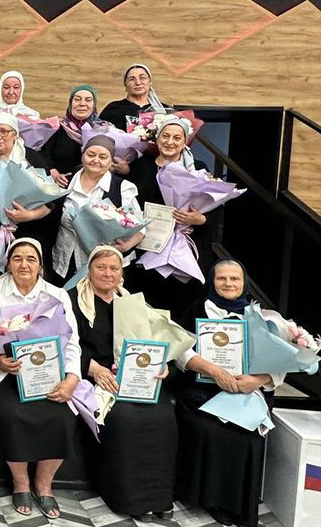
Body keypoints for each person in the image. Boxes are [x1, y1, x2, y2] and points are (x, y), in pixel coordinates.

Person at [0, 238, 81, 519]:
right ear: (8, 264)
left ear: (41, 267)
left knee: (62, 416)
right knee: (10, 414)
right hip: (2, 374)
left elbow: (72, 342)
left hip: (47, 374)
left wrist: (71, 379)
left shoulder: (58, 295)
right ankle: (20, 482)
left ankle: (44, 484)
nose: (24, 264)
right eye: (17, 258)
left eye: (31, 259)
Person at [70, 246, 176, 521]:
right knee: (125, 419)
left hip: (135, 377)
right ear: (89, 270)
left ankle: (159, 498)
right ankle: (129, 499)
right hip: (94, 377)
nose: (108, 273)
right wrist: (93, 368)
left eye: (114, 268)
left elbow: (154, 342)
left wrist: (161, 363)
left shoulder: (133, 303)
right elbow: (65, 344)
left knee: (162, 416)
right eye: (101, 267)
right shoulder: (73, 302)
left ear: (121, 274)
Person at [174, 259, 281, 527]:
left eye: (235, 278)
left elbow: (281, 362)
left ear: (244, 283)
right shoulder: (196, 309)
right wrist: (213, 371)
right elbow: (180, 350)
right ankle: (214, 500)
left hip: (247, 391)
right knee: (211, 430)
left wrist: (257, 380)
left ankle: (239, 503)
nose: (228, 284)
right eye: (221, 278)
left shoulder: (262, 317)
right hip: (202, 391)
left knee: (248, 437)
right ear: (212, 281)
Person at [126, 116, 210, 322]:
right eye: (165, 136)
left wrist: (199, 219)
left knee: (182, 303)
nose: (170, 142)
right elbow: (128, 202)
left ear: (185, 142)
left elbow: (211, 208)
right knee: (147, 304)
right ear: (157, 138)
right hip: (147, 245)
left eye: (176, 138)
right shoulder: (141, 166)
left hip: (184, 247)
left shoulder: (197, 169)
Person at [0, 112, 54, 282]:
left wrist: (29, 215)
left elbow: (52, 200)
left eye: (4, 131)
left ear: (15, 134)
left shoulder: (31, 158)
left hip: (27, 232)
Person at [52, 135, 144, 280]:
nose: (96, 160)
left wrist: (125, 246)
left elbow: (140, 228)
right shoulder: (65, 182)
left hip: (104, 265)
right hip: (64, 259)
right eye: (91, 154)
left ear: (110, 161)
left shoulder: (122, 188)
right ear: (82, 156)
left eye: (103, 157)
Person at [40, 85, 114, 186]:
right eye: (77, 99)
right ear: (70, 103)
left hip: (96, 187)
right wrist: (53, 173)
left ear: (94, 105)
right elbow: (43, 155)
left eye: (88, 100)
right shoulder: (56, 128)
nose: (82, 104)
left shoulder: (105, 130)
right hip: (61, 186)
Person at [99, 63, 168, 131]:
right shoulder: (113, 109)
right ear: (125, 84)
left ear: (150, 82)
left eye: (142, 78)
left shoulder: (164, 110)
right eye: (131, 79)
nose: (138, 82)